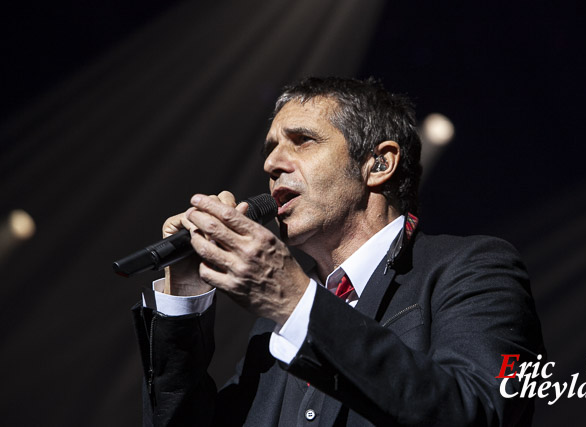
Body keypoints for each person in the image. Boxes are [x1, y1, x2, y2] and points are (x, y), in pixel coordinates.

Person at [132, 77, 545, 426]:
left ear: (379, 164)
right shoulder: (272, 328)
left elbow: (481, 411)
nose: (272, 163)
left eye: (302, 141)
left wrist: (298, 304)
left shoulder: (471, 268)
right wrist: (183, 297)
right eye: (270, 149)